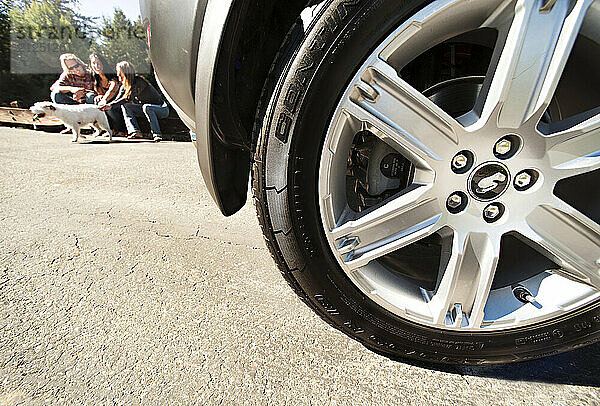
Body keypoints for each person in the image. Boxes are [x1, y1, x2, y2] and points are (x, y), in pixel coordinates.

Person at [100, 61, 169, 142]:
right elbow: (118, 100)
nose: (118, 75)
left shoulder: (139, 81)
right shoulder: (124, 86)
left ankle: (157, 135)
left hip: (161, 109)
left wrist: (111, 105)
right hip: (145, 109)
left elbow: (128, 98)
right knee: (126, 106)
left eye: (119, 72)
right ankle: (135, 131)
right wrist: (106, 105)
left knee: (147, 107)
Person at [89, 53, 125, 134]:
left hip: (117, 106)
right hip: (106, 105)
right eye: (94, 63)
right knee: (93, 98)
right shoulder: (96, 79)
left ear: (103, 64)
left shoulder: (112, 76)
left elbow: (112, 90)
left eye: (99, 63)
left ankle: (117, 129)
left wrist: (104, 99)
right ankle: (103, 128)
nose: (96, 66)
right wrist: (100, 96)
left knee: (105, 104)